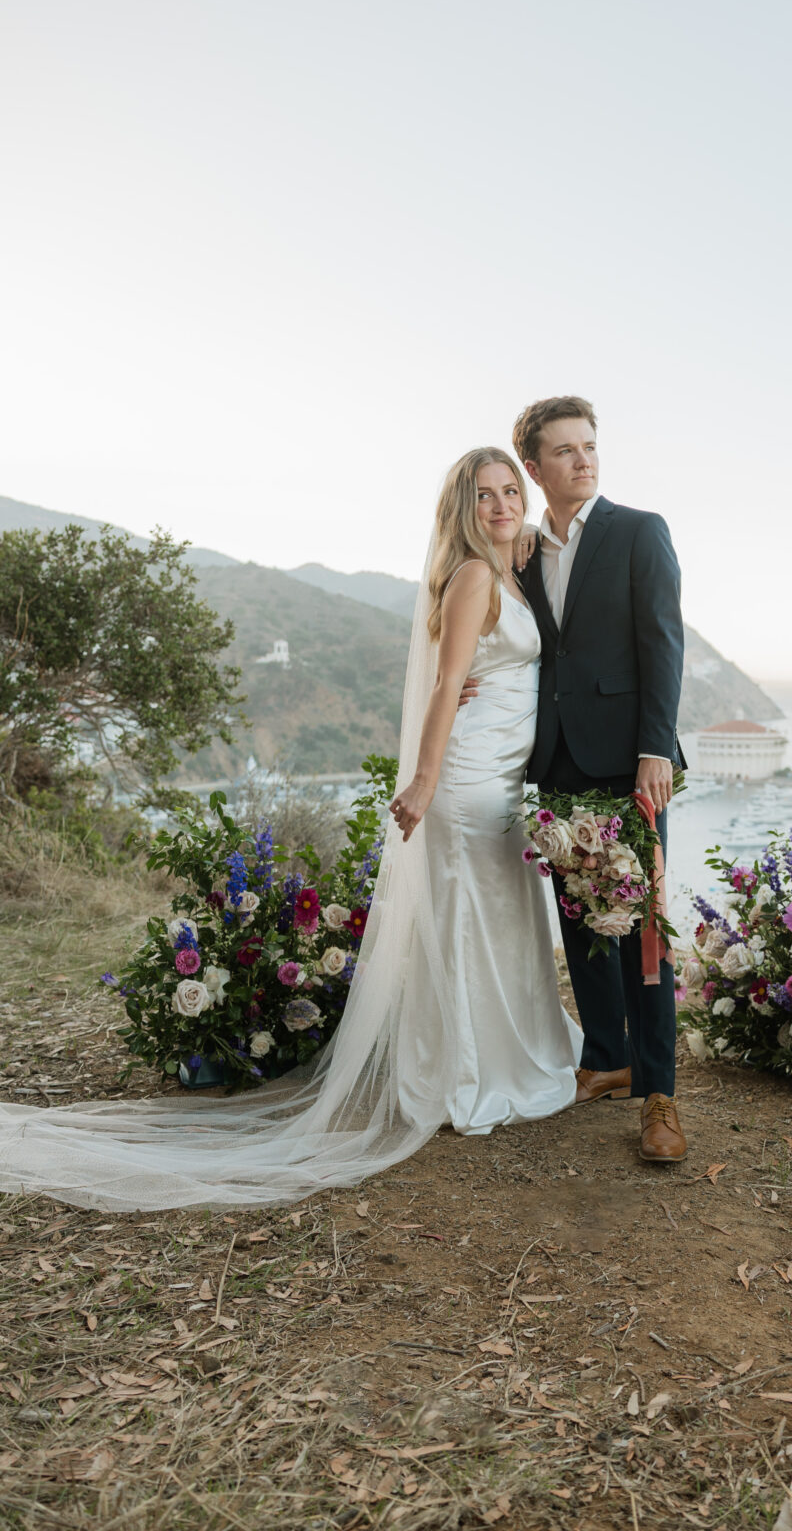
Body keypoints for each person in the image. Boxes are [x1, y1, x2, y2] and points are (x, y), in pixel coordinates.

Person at [0, 448, 580, 1211]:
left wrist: (532, 540)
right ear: (461, 510)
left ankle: (509, 1051)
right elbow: (446, 686)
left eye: (510, 492)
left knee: (500, 919)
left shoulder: (512, 568)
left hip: (502, 779)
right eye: (484, 496)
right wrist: (426, 779)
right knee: (474, 924)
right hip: (468, 781)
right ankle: (471, 1074)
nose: (501, 506)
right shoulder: (476, 577)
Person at [515, 395, 688, 1163]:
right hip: (555, 760)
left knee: (643, 937)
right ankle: (605, 1058)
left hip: (628, 764)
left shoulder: (638, 531)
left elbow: (662, 642)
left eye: (589, 446)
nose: (583, 460)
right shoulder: (522, 551)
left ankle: (660, 1096)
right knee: (582, 923)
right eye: (564, 450)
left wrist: (656, 748)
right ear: (533, 466)